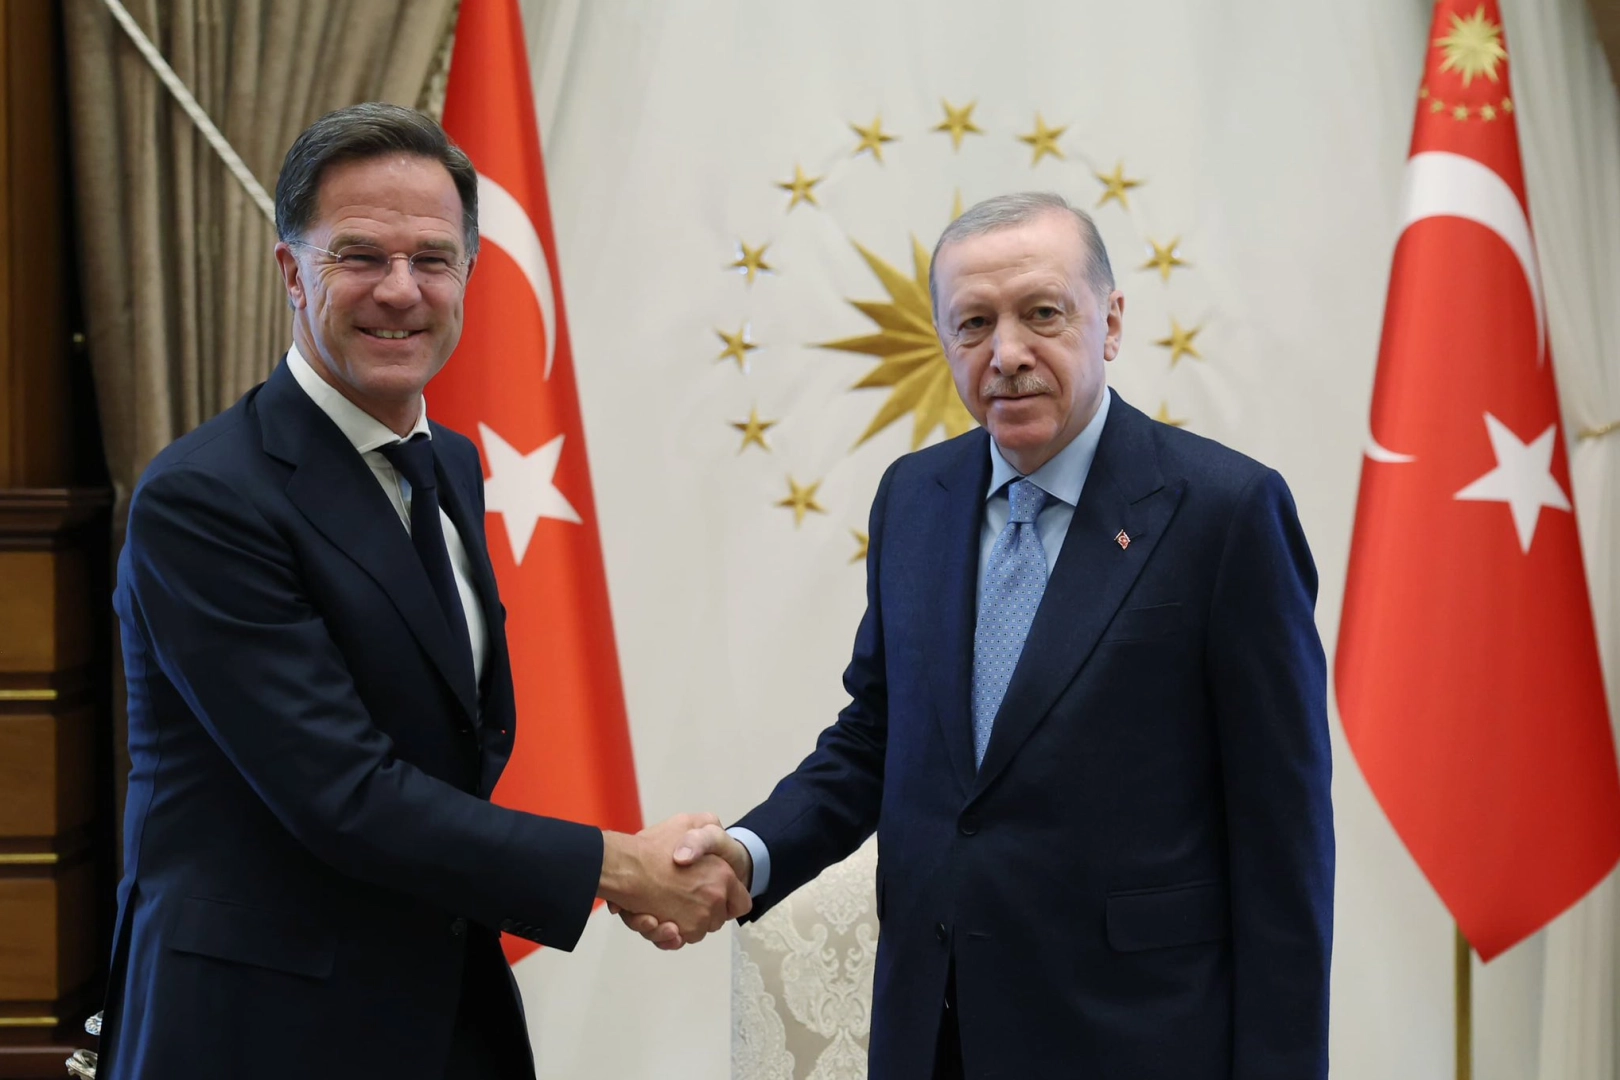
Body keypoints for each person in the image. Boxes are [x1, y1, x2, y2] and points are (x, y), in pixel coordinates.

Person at [97, 103, 747, 1080]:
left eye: (433, 260)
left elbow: (449, 745)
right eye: (360, 256)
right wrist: (619, 867)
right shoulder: (204, 499)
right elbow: (344, 793)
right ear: (291, 273)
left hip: (440, 1007)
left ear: (468, 276)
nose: (400, 290)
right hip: (260, 1028)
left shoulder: (449, 463)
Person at [627, 192, 1334, 1079]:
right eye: (974, 323)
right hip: (935, 1037)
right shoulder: (914, 497)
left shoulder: (1225, 513)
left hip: (1137, 1040)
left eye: (1042, 314)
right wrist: (746, 852)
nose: (1007, 353)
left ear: (1111, 322)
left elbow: (1282, 840)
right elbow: (876, 738)